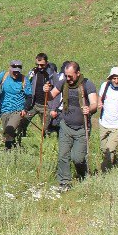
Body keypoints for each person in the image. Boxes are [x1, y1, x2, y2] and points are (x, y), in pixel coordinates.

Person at [47, 61, 98, 189]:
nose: (68, 78)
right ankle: (65, 182)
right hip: (65, 125)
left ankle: (83, 174)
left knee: (78, 158)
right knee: (63, 155)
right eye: (66, 75)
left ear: (78, 73)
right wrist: (46, 91)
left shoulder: (87, 84)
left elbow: (94, 104)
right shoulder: (63, 82)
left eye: (70, 76)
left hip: (82, 128)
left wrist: (89, 109)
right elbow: (51, 96)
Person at [0, 60, 33, 149]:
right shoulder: (3, 76)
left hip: (18, 111)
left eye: (18, 72)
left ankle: (8, 150)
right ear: (10, 68)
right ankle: (14, 148)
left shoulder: (25, 80)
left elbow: (29, 97)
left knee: (9, 130)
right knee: (8, 133)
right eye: (14, 71)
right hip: (4, 110)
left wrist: (25, 109)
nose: (16, 73)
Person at [19, 53, 55, 140]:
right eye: (37, 64)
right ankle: (21, 139)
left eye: (42, 65)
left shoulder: (52, 74)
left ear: (47, 63)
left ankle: (46, 144)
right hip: (34, 104)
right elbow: (26, 82)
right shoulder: (33, 72)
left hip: (46, 106)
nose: (39, 67)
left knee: (45, 130)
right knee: (22, 122)